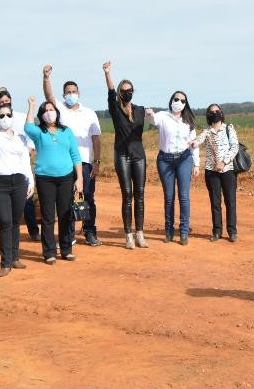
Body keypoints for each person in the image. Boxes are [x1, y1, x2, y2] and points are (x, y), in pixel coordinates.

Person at [42, 65, 102, 247]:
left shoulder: (90, 113)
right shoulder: (60, 110)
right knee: (66, 199)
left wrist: (97, 162)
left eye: (73, 91)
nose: (71, 94)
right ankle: (68, 235)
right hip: (65, 162)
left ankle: (90, 231)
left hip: (85, 162)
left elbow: (97, 139)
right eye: (67, 92)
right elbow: (48, 97)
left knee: (88, 197)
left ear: (79, 93)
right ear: (63, 94)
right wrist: (46, 78)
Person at [0, 93, 36, 277]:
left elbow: (25, 161)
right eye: (1, 115)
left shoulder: (20, 138)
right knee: (5, 222)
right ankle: (5, 263)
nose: (5, 118)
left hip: (19, 182)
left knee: (16, 222)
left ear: (12, 117)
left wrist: (30, 181)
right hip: (0, 184)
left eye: (8, 115)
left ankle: (15, 257)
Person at [25, 100, 84, 264]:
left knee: (65, 214)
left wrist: (79, 178)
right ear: (41, 115)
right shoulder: (39, 133)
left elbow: (76, 156)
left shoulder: (66, 132)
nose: (49, 112)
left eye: (52, 109)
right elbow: (27, 127)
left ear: (57, 112)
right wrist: (31, 106)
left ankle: (66, 249)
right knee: (48, 216)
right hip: (45, 179)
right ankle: (49, 252)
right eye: (45, 110)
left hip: (66, 177)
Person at [103, 61, 147, 249]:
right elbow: (111, 93)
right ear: (121, 92)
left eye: (130, 90)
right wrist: (107, 74)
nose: (127, 92)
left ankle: (140, 233)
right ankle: (128, 234)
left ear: (133, 92)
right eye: (124, 90)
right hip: (121, 155)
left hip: (139, 155)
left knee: (140, 194)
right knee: (127, 194)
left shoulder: (140, 110)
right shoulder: (115, 109)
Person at [147, 91, 200, 245]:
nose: (179, 102)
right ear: (171, 100)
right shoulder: (163, 116)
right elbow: (152, 120)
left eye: (182, 100)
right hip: (165, 160)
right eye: (176, 99)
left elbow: (194, 144)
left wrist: (196, 164)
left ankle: (184, 231)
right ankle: (169, 231)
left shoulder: (188, 120)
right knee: (169, 197)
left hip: (184, 159)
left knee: (184, 197)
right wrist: (149, 113)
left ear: (185, 104)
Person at [0, 88, 41, 241]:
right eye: (1, 102)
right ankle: (9, 231)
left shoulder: (20, 117)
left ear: (11, 100)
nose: (4, 104)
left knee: (27, 198)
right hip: (4, 166)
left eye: (6, 101)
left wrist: (28, 151)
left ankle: (33, 231)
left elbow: (30, 135)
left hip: (22, 161)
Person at [196, 104, 238, 243]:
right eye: (212, 112)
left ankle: (232, 231)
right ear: (208, 116)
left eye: (217, 111)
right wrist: (190, 142)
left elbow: (235, 147)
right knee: (215, 202)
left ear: (221, 113)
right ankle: (217, 231)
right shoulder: (206, 132)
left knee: (230, 201)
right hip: (211, 171)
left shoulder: (228, 128)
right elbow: (197, 141)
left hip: (228, 170)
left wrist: (224, 162)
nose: (215, 113)